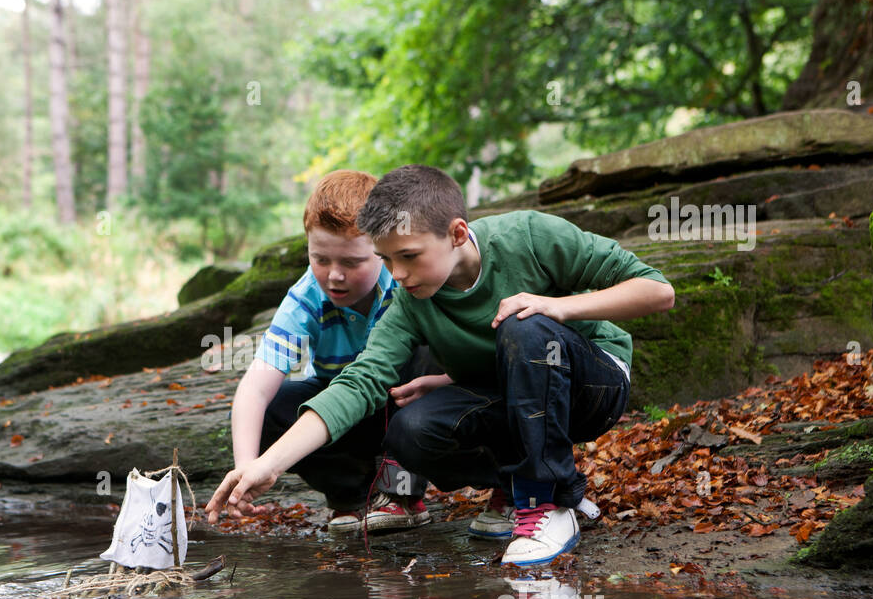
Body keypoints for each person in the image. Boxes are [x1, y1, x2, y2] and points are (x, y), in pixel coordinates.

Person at [207, 164, 675, 566]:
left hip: (592, 385)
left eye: (409, 257)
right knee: (412, 428)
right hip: (509, 393)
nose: (399, 275)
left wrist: (558, 306)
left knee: (524, 323)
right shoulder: (410, 301)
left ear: (456, 233)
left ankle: (545, 504)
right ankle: (534, 491)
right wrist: (267, 464)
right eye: (388, 260)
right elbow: (361, 382)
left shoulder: (529, 237)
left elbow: (658, 292)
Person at [229, 169, 448, 534]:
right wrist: (245, 466)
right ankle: (357, 496)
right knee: (275, 405)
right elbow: (255, 387)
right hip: (344, 414)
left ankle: (403, 495)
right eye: (321, 259)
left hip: (408, 404)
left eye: (351, 262)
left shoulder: (406, 283)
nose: (334, 276)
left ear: (381, 250)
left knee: (422, 352)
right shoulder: (306, 299)